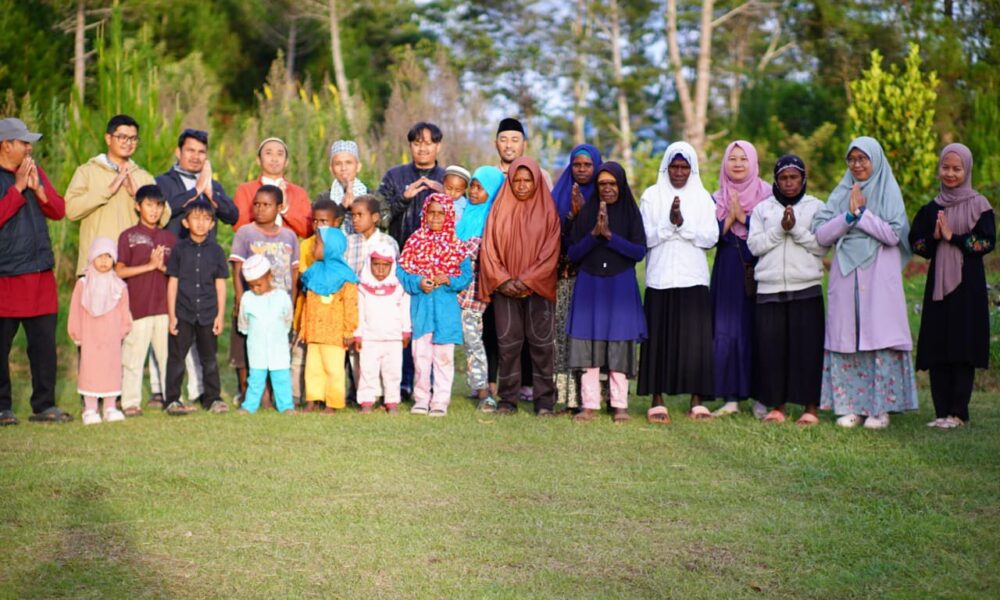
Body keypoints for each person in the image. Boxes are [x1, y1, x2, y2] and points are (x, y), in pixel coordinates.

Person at [812, 137, 918, 429]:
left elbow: (894, 234)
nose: (857, 165)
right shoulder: (842, 191)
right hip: (846, 273)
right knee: (848, 338)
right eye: (852, 159)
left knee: (878, 338)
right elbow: (821, 235)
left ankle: (880, 409)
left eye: (863, 159)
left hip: (878, 273)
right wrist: (847, 215)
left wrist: (862, 215)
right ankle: (850, 406)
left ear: (875, 160)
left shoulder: (888, 190)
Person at [909, 143, 994, 428]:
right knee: (937, 345)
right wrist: (934, 237)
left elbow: (986, 242)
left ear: (967, 169)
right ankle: (941, 412)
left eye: (957, 169)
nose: (950, 173)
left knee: (962, 345)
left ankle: (959, 413)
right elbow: (916, 243)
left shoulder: (980, 205)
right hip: (938, 286)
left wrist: (953, 237)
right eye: (945, 167)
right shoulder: (931, 208)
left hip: (968, 285)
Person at [637, 142, 718, 423]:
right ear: (666, 167)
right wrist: (668, 225)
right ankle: (656, 398)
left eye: (684, 167)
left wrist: (682, 224)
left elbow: (710, 238)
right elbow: (643, 238)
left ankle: (697, 400)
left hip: (692, 278)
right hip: (660, 278)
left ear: (692, 168)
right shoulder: (651, 196)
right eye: (674, 166)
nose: (679, 172)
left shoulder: (703, 198)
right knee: (658, 338)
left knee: (695, 342)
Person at [0, 117, 72, 425]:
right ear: (6, 145)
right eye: (24, 142)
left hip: (41, 273)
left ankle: (44, 405)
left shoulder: (34, 171)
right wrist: (17, 189)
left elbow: (59, 210)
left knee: (44, 346)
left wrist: (38, 190)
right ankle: (2, 408)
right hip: (7, 275)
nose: (30, 148)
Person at [746, 155, 828, 425]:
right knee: (772, 350)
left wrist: (796, 231)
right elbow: (754, 246)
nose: (789, 183)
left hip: (805, 288)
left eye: (794, 177)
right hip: (769, 289)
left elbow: (821, 246)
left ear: (803, 179)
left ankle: (810, 407)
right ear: (775, 180)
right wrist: (781, 230)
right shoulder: (763, 209)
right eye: (783, 178)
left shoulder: (817, 207)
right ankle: (777, 406)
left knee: (807, 350)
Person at [479, 157, 561, 416]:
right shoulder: (499, 208)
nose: (522, 185)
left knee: (542, 345)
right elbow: (489, 248)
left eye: (528, 180)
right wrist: (503, 280)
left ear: (536, 181)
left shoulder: (548, 210)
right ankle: (507, 399)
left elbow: (551, 251)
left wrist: (527, 280)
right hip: (505, 289)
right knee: (508, 344)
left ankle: (544, 401)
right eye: (517, 180)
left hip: (536, 289)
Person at [566, 162, 646, 423]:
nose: (608, 189)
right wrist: (594, 234)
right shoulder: (587, 214)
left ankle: (620, 404)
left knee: (619, 343)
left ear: (621, 185)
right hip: (590, 284)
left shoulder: (631, 214)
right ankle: (589, 405)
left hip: (620, 285)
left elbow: (638, 252)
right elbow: (573, 253)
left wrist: (610, 236)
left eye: (612, 184)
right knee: (589, 342)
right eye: (602, 184)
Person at [710, 140, 770, 418]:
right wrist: (728, 219)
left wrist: (742, 217)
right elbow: (708, 239)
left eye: (743, 159)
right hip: (727, 268)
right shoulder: (715, 197)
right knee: (727, 329)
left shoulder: (768, 194)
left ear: (753, 162)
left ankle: (761, 397)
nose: (737, 164)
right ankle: (731, 396)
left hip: (760, 266)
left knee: (758, 329)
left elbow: (773, 232)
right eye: (732, 158)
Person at [398, 194, 473, 416]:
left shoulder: (456, 245)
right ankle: (421, 398)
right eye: (431, 212)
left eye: (441, 213)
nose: (436, 218)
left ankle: (440, 400)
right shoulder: (414, 241)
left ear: (449, 215)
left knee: (443, 357)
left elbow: (466, 276)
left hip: (446, 311)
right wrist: (418, 282)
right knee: (420, 357)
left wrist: (448, 279)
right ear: (425, 214)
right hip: (421, 309)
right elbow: (401, 272)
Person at [229, 185, 300, 407]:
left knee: (278, 351)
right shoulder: (245, 232)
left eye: (266, 205)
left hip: (279, 305)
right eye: (257, 204)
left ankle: (277, 396)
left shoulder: (289, 236)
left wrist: (295, 302)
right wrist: (240, 297)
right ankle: (253, 394)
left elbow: (294, 272)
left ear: (279, 207)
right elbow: (237, 266)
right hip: (254, 302)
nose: (260, 209)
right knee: (249, 349)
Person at [64, 114, 160, 277]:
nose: (128, 143)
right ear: (108, 138)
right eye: (122, 137)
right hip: (96, 268)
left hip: (133, 269)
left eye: (133, 138)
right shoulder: (87, 171)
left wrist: (138, 195)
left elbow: (164, 217)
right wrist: (107, 191)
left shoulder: (144, 177)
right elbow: (70, 210)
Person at [116, 184, 177, 417]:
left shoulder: (170, 238)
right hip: (137, 307)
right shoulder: (128, 236)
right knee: (133, 358)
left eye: (158, 205)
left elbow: (176, 275)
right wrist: (148, 266)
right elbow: (119, 271)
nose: (154, 210)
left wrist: (161, 267)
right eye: (149, 205)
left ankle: (172, 399)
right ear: (138, 206)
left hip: (164, 308)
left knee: (166, 357)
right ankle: (130, 402)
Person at [164, 200, 229, 415]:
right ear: (185, 222)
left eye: (206, 219)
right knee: (176, 358)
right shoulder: (179, 250)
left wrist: (220, 315)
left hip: (209, 312)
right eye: (196, 218)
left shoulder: (217, 251)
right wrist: (172, 314)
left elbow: (220, 284)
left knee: (209, 358)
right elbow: (173, 282)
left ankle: (213, 399)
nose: (201, 223)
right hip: (183, 311)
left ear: (212, 224)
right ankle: (173, 400)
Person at [550, 143, 603, 409]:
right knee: (564, 334)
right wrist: (571, 216)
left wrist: (584, 214)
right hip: (565, 277)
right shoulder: (558, 195)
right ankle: (566, 396)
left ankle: (593, 398)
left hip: (595, 278)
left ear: (596, 166)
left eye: (587, 165)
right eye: (577, 165)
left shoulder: (605, 194)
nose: (581, 170)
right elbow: (551, 235)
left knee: (592, 336)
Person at [68, 238, 132, 425]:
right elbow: (75, 311)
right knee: (90, 370)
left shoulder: (119, 285)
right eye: (100, 256)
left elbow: (124, 310)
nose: (104, 261)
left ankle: (110, 407)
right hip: (90, 336)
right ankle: (90, 409)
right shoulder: (83, 283)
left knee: (111, 370)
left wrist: (123, 331)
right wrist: (77, 334)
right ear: (91, 258)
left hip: (111, 338)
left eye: (108, 256)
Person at [456, 166, 504, 411]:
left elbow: (470, 254)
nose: (473, 192)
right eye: (472, 186)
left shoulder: (492, 221)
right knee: (469, 342)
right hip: (459, 293)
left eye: (480, 187)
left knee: (477, 342)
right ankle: (479, 387)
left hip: (478, 294)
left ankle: (486, 392)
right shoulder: (466, 215)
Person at [299, 226, 359, 413]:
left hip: (335, 335)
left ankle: (332, 403)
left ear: (331, 247)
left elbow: (350, 306)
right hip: (315, 332)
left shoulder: (345, 277)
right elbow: (307, 304)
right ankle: (312, 399)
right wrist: (303, 329)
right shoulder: (312, 272)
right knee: (312, 369)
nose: (312, 247)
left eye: (317, 243)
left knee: (334, 370)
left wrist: (349, 330)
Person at [292, 199, 344, 406]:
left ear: (336, 222)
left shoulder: (338, 245)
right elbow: (304, 277)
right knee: (306, 360)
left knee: (331, 364)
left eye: (324, 221)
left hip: (332, 321)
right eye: (315, 221)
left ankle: (330, 400)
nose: (318, 226)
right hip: (309, 312)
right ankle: (304, 398)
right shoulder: (306, 244)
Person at [353, 241, 411, 414]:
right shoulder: (362, 288)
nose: (380, 270)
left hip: (393, 339)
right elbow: (359, 314)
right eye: (376, 264)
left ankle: (392, 402)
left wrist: (406, 331)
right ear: (369, 263)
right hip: (369, 339)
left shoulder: (399, 288)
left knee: (392, 372)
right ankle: (366, 402)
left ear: (392, 265)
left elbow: (404, 311)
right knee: (367, 372)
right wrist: (358, 335)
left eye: (385, 265)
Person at [237, 254, 295, 415]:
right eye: (252, 286)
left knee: (281, 378)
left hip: (279, 347)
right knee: (255, 379)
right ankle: (249, 406)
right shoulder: (247, 299)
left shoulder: (282, 297)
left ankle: (286, 406)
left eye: (259, 285)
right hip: (256, 347)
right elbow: (243, 322)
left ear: (269, 276)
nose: (256, 289)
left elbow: (287, 318)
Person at [156, 128, 238, 240]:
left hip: (206, 255)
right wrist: (196, 191)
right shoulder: (162, 182)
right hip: (173, 254)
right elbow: (161, 212)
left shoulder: (213, 186)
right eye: (190, 151)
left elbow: (232, 217)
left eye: (201, 152)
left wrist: (211, 195)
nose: (196, 157)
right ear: (178, 153)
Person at [378, 122, 446, 249]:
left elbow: (460, 221)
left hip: (438, 257)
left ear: (438, 146)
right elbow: (380, 219)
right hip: (400, 252)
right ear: (410, 146)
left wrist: (447, 197)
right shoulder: (393, 176)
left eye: (428, 144)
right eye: (417, 144)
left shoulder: (448, 179)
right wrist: (403, 199)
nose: (422, 149)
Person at [233, 137, 311, 238]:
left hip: (287, 251)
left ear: (286, 162)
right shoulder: (245, 190)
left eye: (280, 154)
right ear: (258, 160)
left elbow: (308, 230)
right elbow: (238, 226)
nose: (274, 158)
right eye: (268, 153)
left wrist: (286, 209)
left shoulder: (298, 192)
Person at [494, 118, 554, 188]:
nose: (508, 145)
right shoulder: (488, 176)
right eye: (503, 140)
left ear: (524, 144)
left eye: (515, 140)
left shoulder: (540, 175)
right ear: (496, 144)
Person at [328, 140, 367, 235]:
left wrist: (358, 208)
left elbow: (383, 223)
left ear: (358, 167)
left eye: (348, 163)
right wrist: (342, 208)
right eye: (338, 164)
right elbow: (321, 230)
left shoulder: (371, 196)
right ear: (331, 169)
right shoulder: (324, 198)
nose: (343, 168)